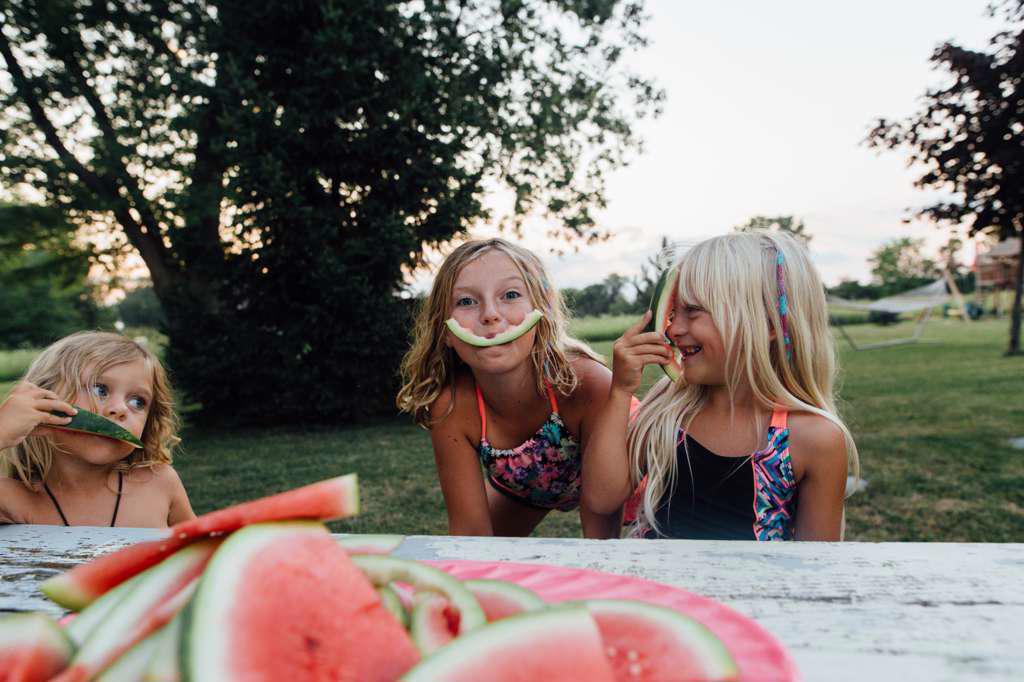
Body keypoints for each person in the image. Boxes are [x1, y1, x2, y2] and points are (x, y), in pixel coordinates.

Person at [583, 231, 860, 540]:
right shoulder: (670, 404)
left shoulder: (814, 438)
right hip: (654, 586)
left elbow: (817, 566)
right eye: (674, 312)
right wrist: (620, 392)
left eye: (693, 311)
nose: (673, 328)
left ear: (768, 323)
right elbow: (601, 499)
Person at [397, 238, 621, 538]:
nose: (490, 314)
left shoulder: (587, 385)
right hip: (531, 489)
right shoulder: (452, 406)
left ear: (542, 315)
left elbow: (602, 525)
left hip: (633, 485)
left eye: (510, 294)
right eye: (466, 301)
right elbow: (470, 533)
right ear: (445, 330)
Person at [0, 331, 195, 527]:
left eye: (137, 402)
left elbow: (202, 548)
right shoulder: (10, 499)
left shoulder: (159, 484)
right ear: (43, 397)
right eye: (100, 390)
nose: (120, 409)